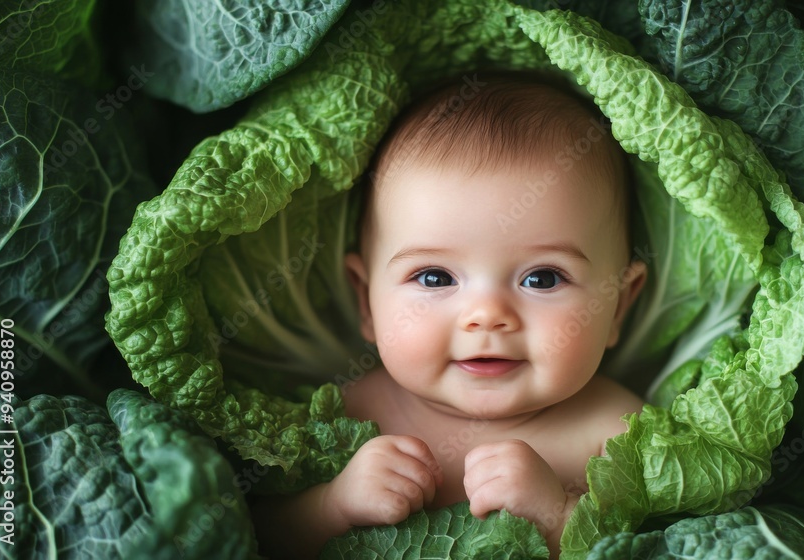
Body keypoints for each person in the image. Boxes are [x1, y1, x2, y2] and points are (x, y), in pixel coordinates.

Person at [253, 71, 648, 559]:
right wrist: (331, 507)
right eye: (435, 278)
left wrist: (557, 516)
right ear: (366, 301)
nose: (486, 316)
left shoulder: (618, 433)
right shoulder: (345, 411)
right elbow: (251, 536)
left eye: (543, 278)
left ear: (618, 304)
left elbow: (666, 546)